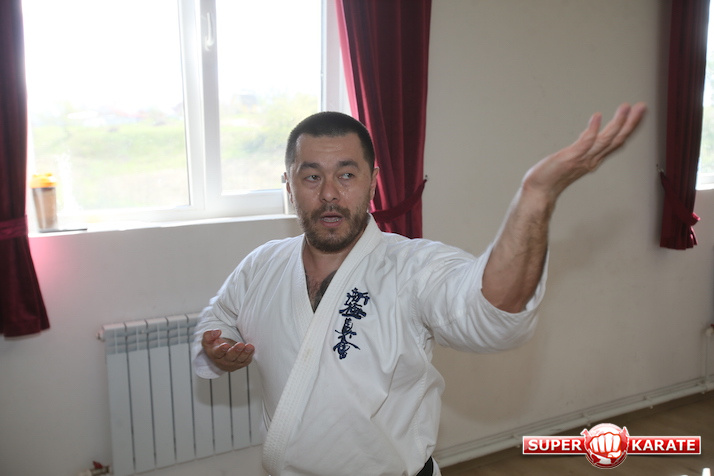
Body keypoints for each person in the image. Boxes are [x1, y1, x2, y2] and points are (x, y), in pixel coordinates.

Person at [191, 103, 647, 476]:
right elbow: (218, 316)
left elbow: (489, 313)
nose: (329, 193)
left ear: (373, 181)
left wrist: (535, 198)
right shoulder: (263, 264)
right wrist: (218, 348)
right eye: (311, 177)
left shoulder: (412, 267)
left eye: (346, 175)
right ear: (289, 187)